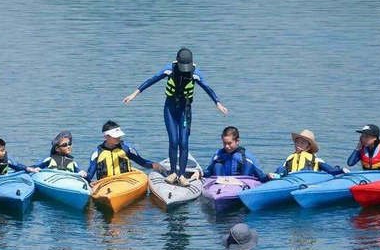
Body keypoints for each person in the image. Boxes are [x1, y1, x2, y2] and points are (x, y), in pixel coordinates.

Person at [123, 48, 228, 186]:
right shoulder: (169, 69)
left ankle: (182, 175)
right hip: (170, 109)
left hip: (185, 110)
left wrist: (218, 103)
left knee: (183, 142)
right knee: (173, 140)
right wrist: (134, 94)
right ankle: (173, 173)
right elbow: (151, 80)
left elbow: (208, 89)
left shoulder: (195, 73)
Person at [84, 121, 164, 183]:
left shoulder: (127, 148)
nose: (118, 137)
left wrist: (153, 165)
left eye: (119, 135)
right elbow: (90, 174)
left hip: (125, 181)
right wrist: (86, 180)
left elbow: (142, 162)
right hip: (105, 184)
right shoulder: (97, 153)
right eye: (115, 136)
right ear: (106, 137)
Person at [204, 126, 269, 182]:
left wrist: (268, 177)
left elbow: (261, 176)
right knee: (217, 165)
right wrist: (199, 173)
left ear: (237, 141)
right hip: (221, 185)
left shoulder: (246, 156)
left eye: (229, 143)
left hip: (242, 184)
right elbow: (208, 172)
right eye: (224, 143)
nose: (226, 146)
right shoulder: (218, 155)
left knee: (248, 165)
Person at [274, 129, 342, 177]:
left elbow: (330, 170)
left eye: (302, 143)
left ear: (309, 146)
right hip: (291, 180)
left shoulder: (316, 160)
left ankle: (337, 168)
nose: (298, 145)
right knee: (280, 168)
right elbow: (280, 171)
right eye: (297, 142)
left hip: (308, 179)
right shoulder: (290, 158)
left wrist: (340, 171)